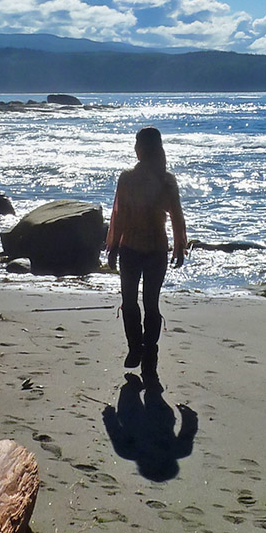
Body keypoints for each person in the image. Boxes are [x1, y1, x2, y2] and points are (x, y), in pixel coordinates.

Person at [106, 127, 186, 374]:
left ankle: (142, 350)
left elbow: (119, 215)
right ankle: (142, 350)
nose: (134, 148)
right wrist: (179, 246)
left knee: (135, 302)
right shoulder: (159, 178)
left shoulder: (141, 178)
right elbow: (176, 217)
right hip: (148, 249)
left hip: (139, 249)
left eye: (137, 144)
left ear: (143, 149)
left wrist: (113, 247)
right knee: (145, 303)